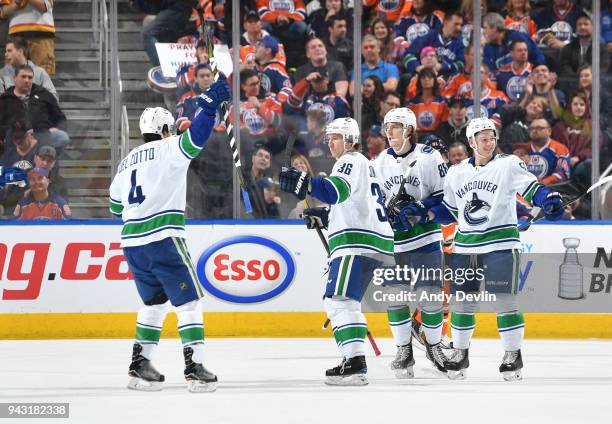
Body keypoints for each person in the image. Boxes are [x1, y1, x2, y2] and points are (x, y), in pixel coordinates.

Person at [414, 117, 564, 381]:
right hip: (465, 246)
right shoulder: (457, 172)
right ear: (471, 142)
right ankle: (460, 354)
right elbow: (448, 211)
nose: (489, 142)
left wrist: (548, 197)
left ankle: (512, 354)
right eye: (483, 138)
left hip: (501, 244)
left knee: (505, 299)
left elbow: (532, 189)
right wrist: (424, 214)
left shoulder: (508, 165)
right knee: (462, 303)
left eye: (492, 137)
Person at [108, 78, 230, 393]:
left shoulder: (124, 163)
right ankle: (194, 366)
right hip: (163, 237)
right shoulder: (168, 148)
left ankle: (140, 364)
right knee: (189, 303)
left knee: (154, 302)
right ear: (165, 130)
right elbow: (197, 137)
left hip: (132, 243)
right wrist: (209, 107)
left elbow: (114, 206)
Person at [279, 117, 394, 386]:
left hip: (357, 243)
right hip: (372, 242)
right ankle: (354, 361)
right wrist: (325, 216)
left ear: (351, 140)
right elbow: (351, 204)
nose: (331, 143)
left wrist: (303, 182)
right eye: (329, 138)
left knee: (339, 301)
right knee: (345, 301)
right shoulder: (363, 165)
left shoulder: (350, 160)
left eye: (337, 138)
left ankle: (354, 363)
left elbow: (334, 192)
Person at [373, 107, 449, 376]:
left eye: (394, 126)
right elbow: (374, 203)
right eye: (386, 126)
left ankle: (435, 346)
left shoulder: (430, 157)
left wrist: (420, 209)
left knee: (429, 297)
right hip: (394, 242)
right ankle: (403, 351)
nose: (388, 132)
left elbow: (445, 198)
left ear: (408, 129)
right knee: (396, 297)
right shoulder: (379, 162)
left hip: (426, 238)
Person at [403, 11, 465, 78]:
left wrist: (443, 67)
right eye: (456, 24)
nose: (459, 28)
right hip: (423, 78)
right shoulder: (429, 36)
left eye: (461, 25)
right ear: (445, 22)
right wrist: (417, 67)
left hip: (447, 81)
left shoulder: (460, 43)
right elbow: (408, 55)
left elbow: (461, 63)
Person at [0, 35, 57, 100]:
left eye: (9, 51)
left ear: (20, 51)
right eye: (6, 51)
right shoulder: (2, 74)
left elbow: (53, 97)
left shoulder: (40, 72)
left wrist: (34, 102)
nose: (5, 54)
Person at [525, 117, 571, 185]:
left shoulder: (560, 149)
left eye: (539, 128)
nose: (534, 131)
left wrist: (541, 184)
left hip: (550, 190)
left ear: (549, 131)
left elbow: (562, 174)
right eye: (532, 128)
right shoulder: (522, 149)